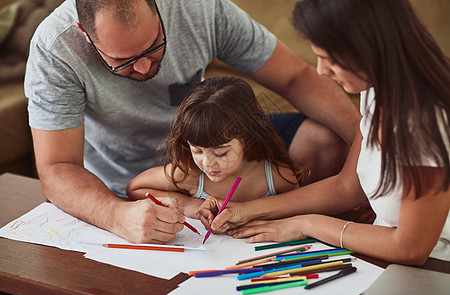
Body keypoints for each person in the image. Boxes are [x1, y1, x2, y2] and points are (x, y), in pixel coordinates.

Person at [25, 0, 359, 244]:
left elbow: (296, 77)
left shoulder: (200, 8)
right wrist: (116, 215)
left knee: (324, 141)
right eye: (121, 61)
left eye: (153, 48)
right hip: (133, 177)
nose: (142, 69)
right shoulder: (55, 48)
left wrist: (375, 143)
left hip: (216, 132)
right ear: (84, 34)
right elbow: (56, 167)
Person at [199, 0, 450, 264]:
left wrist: (308, 225)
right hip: (384, 254)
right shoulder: (378, 89)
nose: (321, 70)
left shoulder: (425, 120)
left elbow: (411, 249)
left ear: (370, 46)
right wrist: (247, 210)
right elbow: (347, 187)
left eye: (330, 59)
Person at [126, 77, 307, 220]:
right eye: (197, 151)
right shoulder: (189, 174)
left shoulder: (277, 176)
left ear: (248, 138)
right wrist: (190, 206)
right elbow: (136, 188)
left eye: (221, 153)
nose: (207, 163)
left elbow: (299, 207)